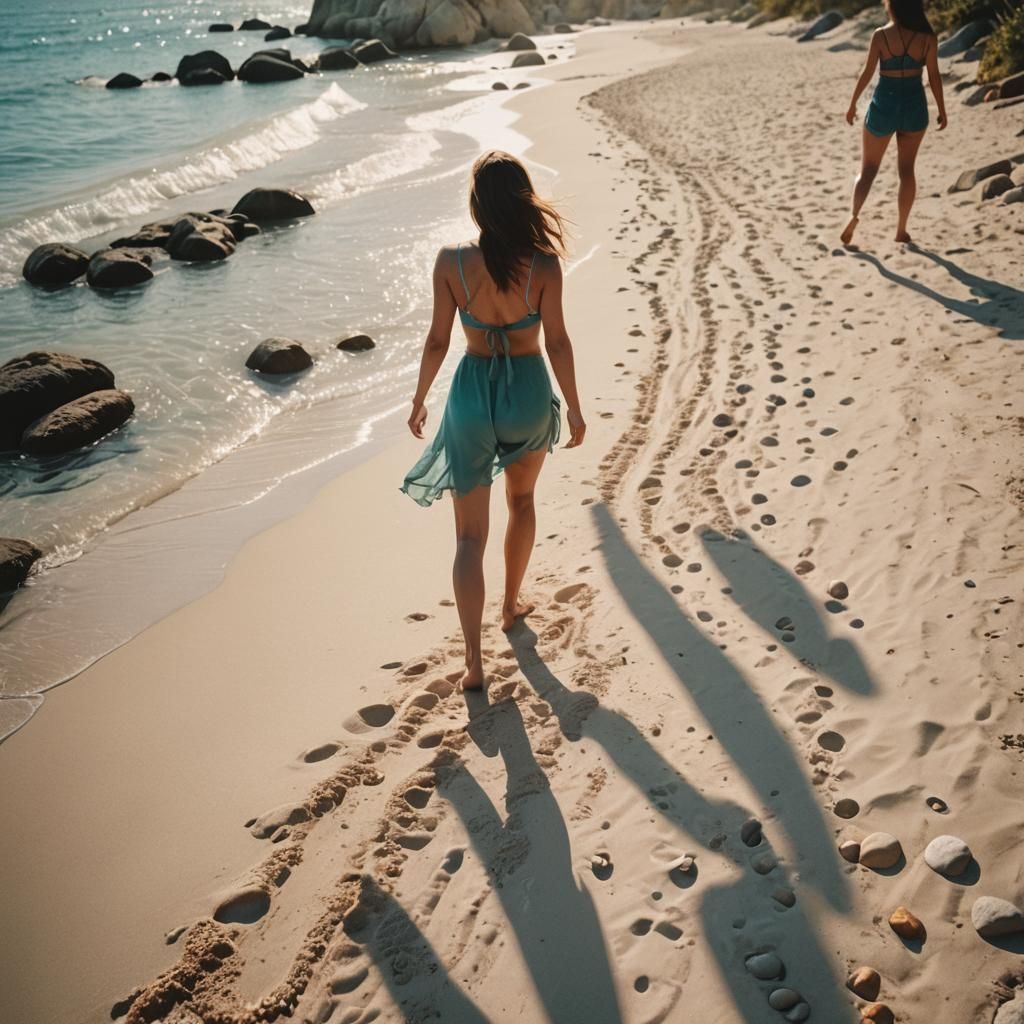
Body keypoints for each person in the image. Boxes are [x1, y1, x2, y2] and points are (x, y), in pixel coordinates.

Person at [400, 150, 586, 692]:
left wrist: (418, 399)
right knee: (522, 502)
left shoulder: (450, 262)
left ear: (478, 206)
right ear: (522, 201)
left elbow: (437, 339)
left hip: (471, 395)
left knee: (467, 537)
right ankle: (509, 606)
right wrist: (573, 406)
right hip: (526, 392)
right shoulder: (545, 266)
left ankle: (474, 663)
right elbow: (557, 341)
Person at [842, 0, 946, 245]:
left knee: (868, 169)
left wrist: (853, 103)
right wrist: (942, 109)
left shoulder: (880, 36)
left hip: (883, 106)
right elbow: (933, 75)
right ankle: (901, 230)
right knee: (907, 170)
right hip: (914, 107)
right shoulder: (928, 37)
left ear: (894, 7)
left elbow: (867, 71)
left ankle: (854, 215)